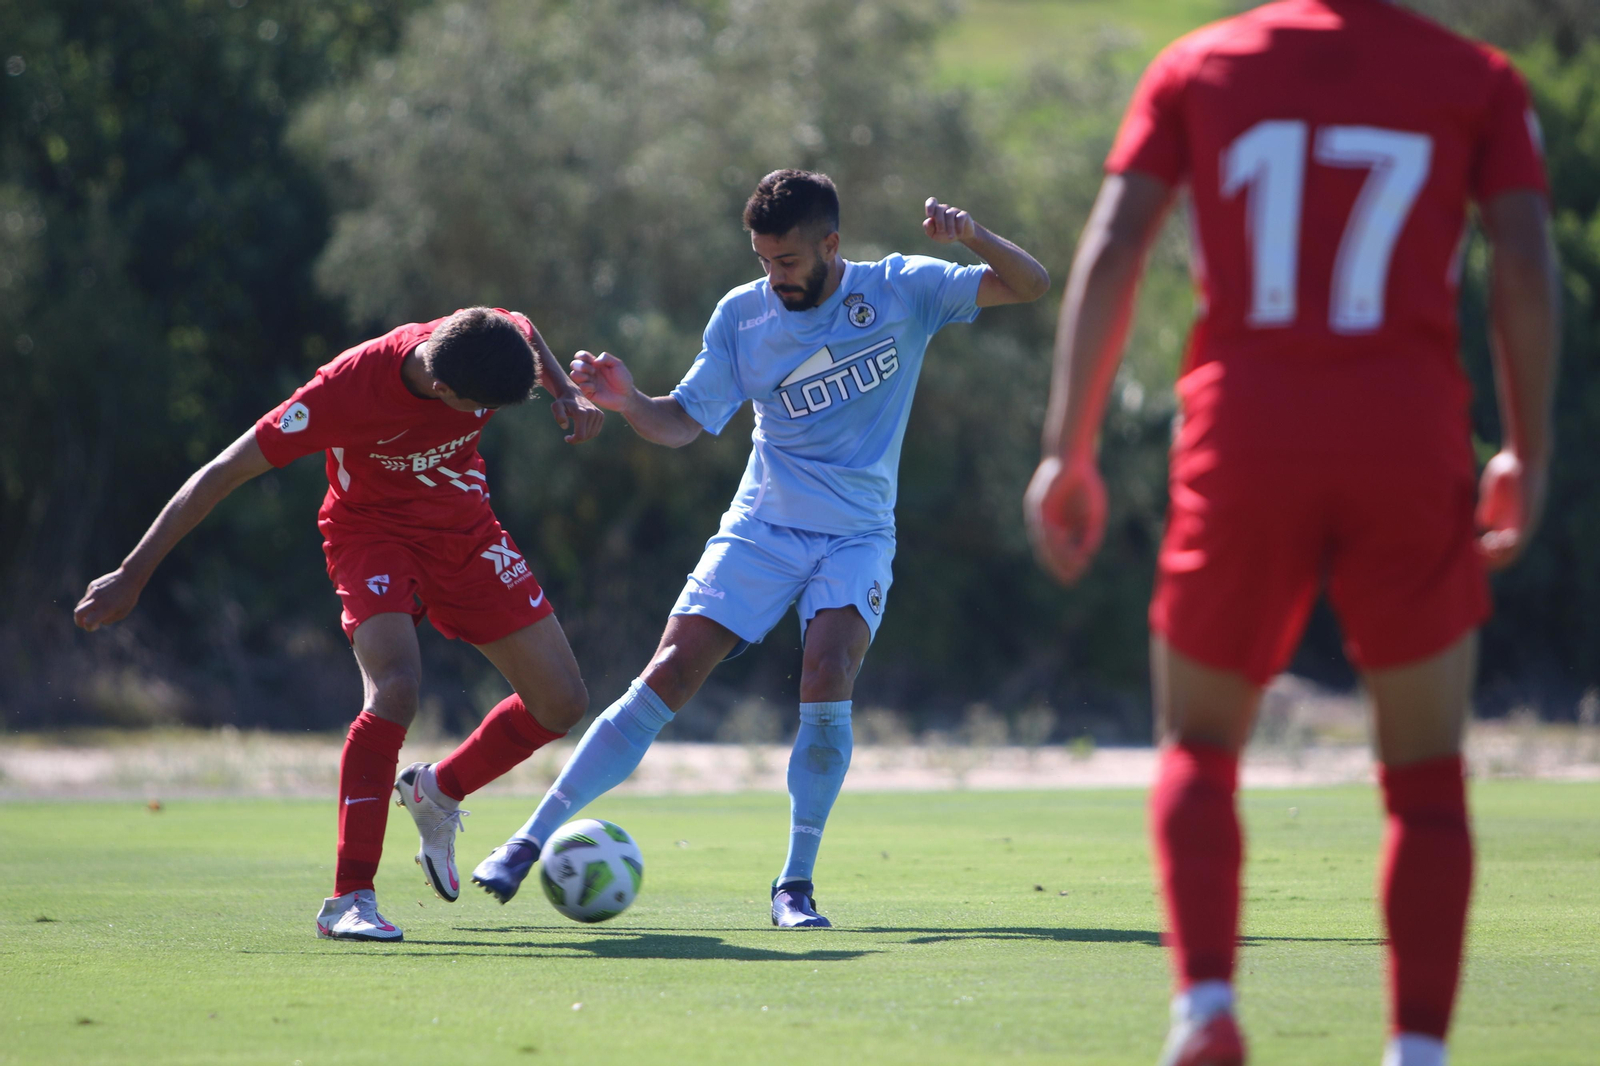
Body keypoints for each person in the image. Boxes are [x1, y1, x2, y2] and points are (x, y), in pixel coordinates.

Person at [1024, 2, 1559, 1063]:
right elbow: (1525, 262)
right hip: (1407, 437)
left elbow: (1116, 244)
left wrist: (1067, 446)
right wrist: (1528, 450)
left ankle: (1206, 1010)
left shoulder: (1197, 66)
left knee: (1199, 744)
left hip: (1247, 433)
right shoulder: (1478, 78)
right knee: (1425, 778)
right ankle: (1416, 1050)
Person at [471, 169, 1050, 926]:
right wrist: (631, 401)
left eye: (787, 261)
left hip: (856, 535)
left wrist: (971, 236)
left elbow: (1031, 285)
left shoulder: (902, 288)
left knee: (828, 671)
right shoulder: (742, 317)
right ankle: (526, 840)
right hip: (762, 528)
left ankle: (794, 885)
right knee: (669, 673)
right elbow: (683, 421)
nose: (774, 276)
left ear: (831, 245)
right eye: (763, 260)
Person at [74, 307, 605, 942]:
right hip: (370, 534)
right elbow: (222, 472)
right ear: (442, 387)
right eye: (478, 407)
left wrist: (565, 391)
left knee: (561, 702)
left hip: (465, 530)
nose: (483, 416)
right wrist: (132, 574)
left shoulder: (484, 335)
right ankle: (349, 898)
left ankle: (439, 791)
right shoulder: (344, 390)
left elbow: (522, 326)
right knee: (396, 690)